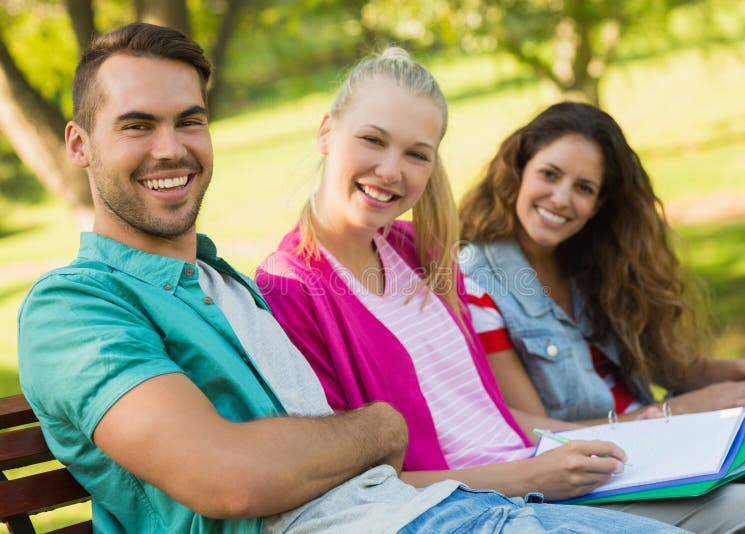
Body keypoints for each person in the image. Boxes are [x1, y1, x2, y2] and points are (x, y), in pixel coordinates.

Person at [15, 23, 687, 534]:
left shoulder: (222, 285)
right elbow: (233, 479)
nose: (171, 147)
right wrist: (382, 429)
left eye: (189, 121)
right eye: (137, 125)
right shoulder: (74, 307)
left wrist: (350, 445)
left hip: (428, 511)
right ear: (79, 145)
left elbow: (309, 449)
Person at [255, 48, 745, 532]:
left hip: (545, 469)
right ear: (327, 132)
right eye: (373, 140)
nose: (391, 170)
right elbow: (355, 489)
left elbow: (494, 412)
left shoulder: (417, 253)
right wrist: (530, 475)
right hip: (483, 504)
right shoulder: (292, 289)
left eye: (417, 154)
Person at [458, 100, 745, 517]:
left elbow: (662, 366)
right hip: (599, 473)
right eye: (549, 174)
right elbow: (527, 429)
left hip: (660, 449)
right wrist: (669, 416)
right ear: (518, 172)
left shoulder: (589, 261)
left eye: (583, 188)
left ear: (599, 203)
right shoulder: (478, 280)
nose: (561, 198)